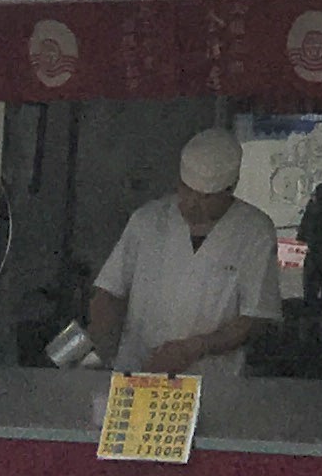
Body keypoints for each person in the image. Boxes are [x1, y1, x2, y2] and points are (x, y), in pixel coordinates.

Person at [87, 127, 283, 379]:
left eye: (205, 197)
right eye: (186, 190)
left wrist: (194, 348)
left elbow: (255, 317)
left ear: (230, 189)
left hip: (213, 380)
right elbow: (109, 291)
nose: (192, 203)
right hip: (136, 371)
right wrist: (102, 338)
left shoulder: (254, 231)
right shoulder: (147, 221)